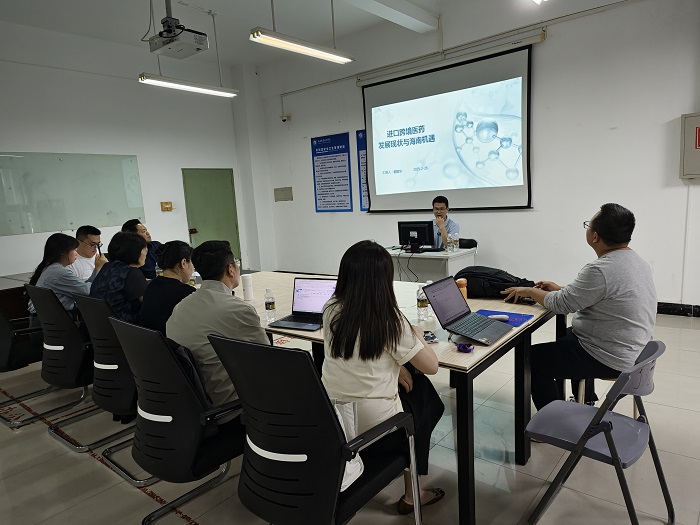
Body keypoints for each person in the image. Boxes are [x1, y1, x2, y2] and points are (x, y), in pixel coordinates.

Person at [321, 240, 445, 514]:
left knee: (413, 384)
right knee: (425, 396)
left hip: (333, 425)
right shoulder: (391, 322)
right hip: (376, 433)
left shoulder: (330, 310)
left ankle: (411, 485)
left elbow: (358, 352)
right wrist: (415, 334)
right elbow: (432, 366)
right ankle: (413, 493)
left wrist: (396, 367)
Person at [501, 203, 657, 409]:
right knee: (568, 336)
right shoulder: (637, 261)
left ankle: (555, 419)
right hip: (634, 349)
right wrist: (560, 288)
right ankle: (586, 399)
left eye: (588, 225)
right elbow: (600, 293)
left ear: (595, 236)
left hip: (610, 356)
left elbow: (560, 304)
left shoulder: (600, 269)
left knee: (532, 359)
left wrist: (529, 291)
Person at [167, 241, 269, 420]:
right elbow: (269, 362)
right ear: (231, 269)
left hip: (191, 405)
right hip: (230, 407)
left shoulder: (180, 307)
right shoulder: (239, 309)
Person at [28, 233, 103, 315]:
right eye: (74, 250)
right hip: (58, 318)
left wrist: (96, 269)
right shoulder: (59, 272)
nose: (76, 254)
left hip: (49, 317)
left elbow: (82, 287)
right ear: (62, 252)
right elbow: (87, 291)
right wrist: (99, 269)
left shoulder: (51, 268)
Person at [138, 241, 196, 334]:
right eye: (192, 263)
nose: (193, 268)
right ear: (184, 263)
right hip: (170, 340)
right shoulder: (187, 292)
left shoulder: (152, 285)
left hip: (148, 339)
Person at [90, 232, 148, 323]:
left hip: (101, 324)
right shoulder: (131, 273)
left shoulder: (107, 267)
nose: (146, 253)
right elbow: (149, 303)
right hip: (124, 326)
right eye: (144, 249)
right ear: (135, 252)